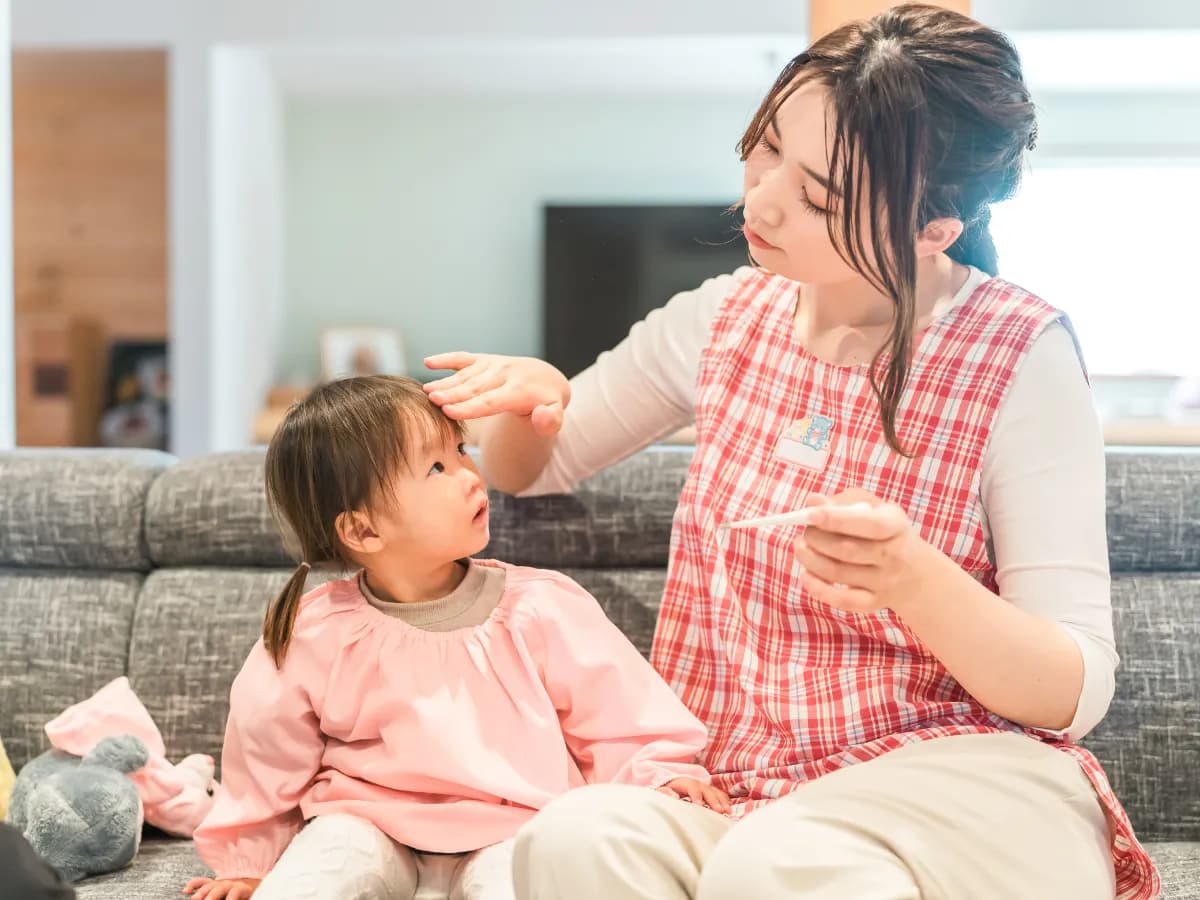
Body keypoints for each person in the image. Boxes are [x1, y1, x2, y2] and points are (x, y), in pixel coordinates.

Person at [423, 5, 1159, 898]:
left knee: (778, 865)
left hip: (966, 781)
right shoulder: (722, 319)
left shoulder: (1018, 352)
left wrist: (914, 580)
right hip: (747, 789)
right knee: (576, 837)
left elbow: (1072, 691)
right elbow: (532, 469)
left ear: (935, 227)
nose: (759, 200)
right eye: (765, 149)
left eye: (817, 195)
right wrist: (533, 402)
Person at [183, 376, 725, 900]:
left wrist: (661, 778)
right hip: (363, 825)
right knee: (321, 871)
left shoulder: (541, 606)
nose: (470, 475)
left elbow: (617, 720)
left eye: (462, 451)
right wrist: (251, 865)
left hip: (515, 827)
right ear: (363, 530)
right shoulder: (314, 631)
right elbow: (265, 756)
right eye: (437, 466)